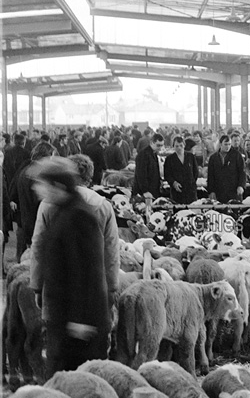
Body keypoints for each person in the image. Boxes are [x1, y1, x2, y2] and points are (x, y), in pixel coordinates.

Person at [28, 158, 112, 378]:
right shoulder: (63, 212)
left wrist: (80, 320)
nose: (36, 189)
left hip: (79, 329)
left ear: (57, 185)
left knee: (79, 385)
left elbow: (89, 271)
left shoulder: (79, 216)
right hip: (65, 322)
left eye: (41, 183)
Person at [10, 142, 58, 260]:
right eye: (52, 156)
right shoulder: (38, 174)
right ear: (47, 155)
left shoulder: (26, 169)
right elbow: (41, 203)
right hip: (38, 226)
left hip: (27, 223)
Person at [207, 135, 246, 203]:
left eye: (229, 144)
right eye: (225, 144)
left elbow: (242, 172)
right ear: (220, 144)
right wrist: (211, 191)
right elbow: (210, 175)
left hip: (234, 190)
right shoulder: (213, 158)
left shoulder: (237, 155)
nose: (227, 146)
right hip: (219, 191)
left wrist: (241, 186)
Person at [163, 136, 198, 204]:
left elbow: (195, 172)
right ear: (173, 147)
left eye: (181, 145)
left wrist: (192, 183)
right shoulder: (169, 159)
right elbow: (167, 175)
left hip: (190, 192)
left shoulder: (191, 156)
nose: (179, 148)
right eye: (176, 146)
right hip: (176, 192)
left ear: (184, 145)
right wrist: (173, 183)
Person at [132, 133, 164, 198]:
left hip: (152, 190)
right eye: (158, 145)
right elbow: (141, 175)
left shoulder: (154, 154)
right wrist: (145, 191)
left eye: (161, 146)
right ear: (152, 143)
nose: (160, 148)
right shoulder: (143, 155)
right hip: (144, 193)